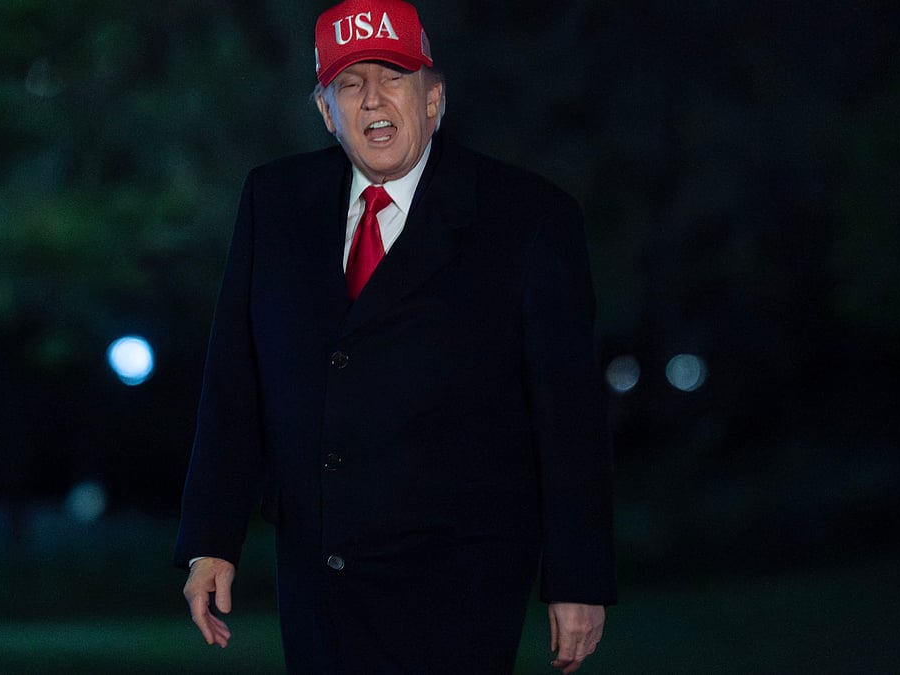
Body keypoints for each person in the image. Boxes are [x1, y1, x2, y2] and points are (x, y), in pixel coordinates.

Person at [174, 1, 616, 672]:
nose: (373, 98)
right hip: (318, 575)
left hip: (458, 584)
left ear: (434, 98)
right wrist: (211, 537)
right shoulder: (275, 202)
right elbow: (234, 382)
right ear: (326, 112)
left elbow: (570, 413)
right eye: (350, 84)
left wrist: (577, 577)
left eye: (394, 76)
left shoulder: (528, 219)